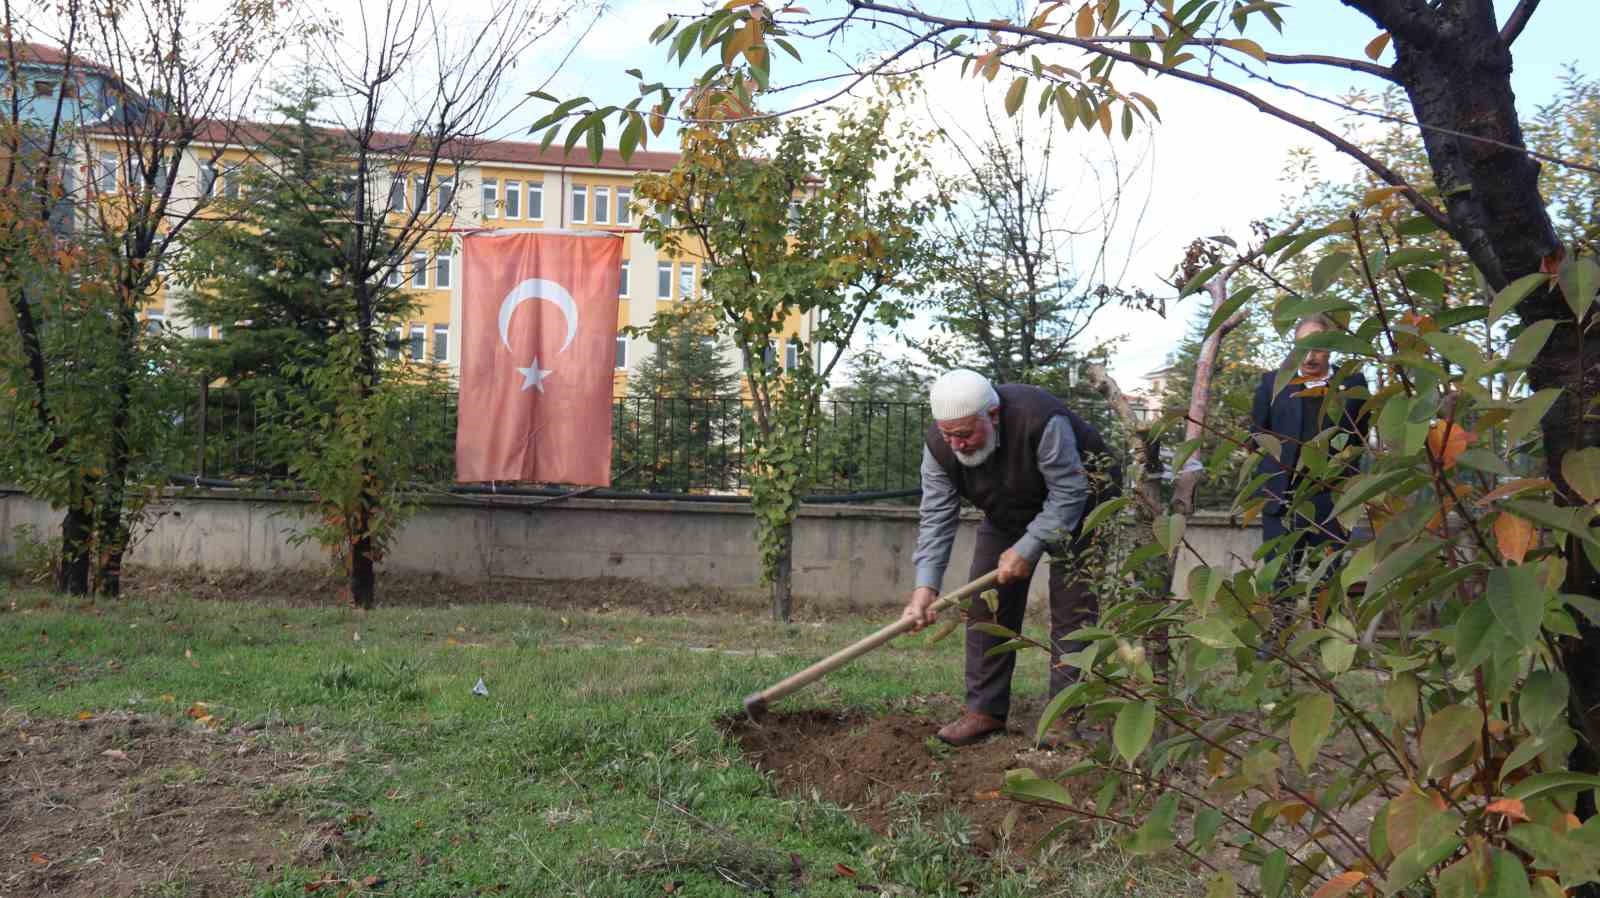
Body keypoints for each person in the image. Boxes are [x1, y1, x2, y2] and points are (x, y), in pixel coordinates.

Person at [900, 369, 1121, 747]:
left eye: (966, 433)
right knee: (986, 607)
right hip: (1007, 510)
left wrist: (1030, 545)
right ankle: (984, 711)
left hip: (1084, 505)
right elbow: (937, 516)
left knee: (1073, 610)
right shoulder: (939, 446)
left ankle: (1064, 718)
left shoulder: (1040, 420)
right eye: (948, 434)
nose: (957, 444)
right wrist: (925, 587)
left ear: (994, 416)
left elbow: (1069, 491)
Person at [1250, 314, 1370, 605]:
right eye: (1302, 346)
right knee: (1279, 581)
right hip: (1282, 500)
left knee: (1328, 584)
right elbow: (1256, 437)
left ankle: (1324, 643)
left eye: (1318, 347)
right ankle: (1276, 642)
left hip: (1330, 504)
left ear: (1331, 348)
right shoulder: (1273, 383)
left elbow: (1359, 439)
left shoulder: (1352, 384)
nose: (1309, 355)